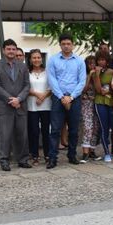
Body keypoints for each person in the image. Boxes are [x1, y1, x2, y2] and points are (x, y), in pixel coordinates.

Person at [0, 38, 31, 170]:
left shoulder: (23, 65)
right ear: (3, 50)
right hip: (5, 106)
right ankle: (4, 160)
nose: (11, 51)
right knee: (5, 134)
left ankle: (23, 159)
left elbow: (27, 85)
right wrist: (10, 99)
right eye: (9, 49)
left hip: (20, 104)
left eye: (13, 49)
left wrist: (18, 99)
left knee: (22, 134)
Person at [46, 33, 86, 168]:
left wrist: (72, 97)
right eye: (63, 44)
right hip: (58, 98)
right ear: (60, 45)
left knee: (74, 129)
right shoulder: (53, 60)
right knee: (55, 129)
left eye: (69, 44)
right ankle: (52, 158)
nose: (66, 46)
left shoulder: (79, 61)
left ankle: (72, 155)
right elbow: (52, 80)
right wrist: (62, 97)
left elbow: (82, 81)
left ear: (73, 44)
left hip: (74, 98)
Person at [27, 50, 51, 165]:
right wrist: (37, 95)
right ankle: (35, 155)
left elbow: (51, 87)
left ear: (42, 59)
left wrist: (43, 97)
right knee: (34, 132)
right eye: (34, 58)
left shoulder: (48, 72)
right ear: (30, 60)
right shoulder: (27, 73)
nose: (36, 60)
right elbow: (25, 88)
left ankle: (47, 154)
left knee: (46, 131)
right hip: (32, 106)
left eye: (38, 57)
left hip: (46, 106)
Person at [91, 51, 113, 162]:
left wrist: (109, 90)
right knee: (104, 127)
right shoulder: (95, 73)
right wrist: (98, 75)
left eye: (103, 59)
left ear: (107, 61)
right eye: (99, 60)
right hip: (100, 102)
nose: (101, 62)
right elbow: (98, 90)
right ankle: (106, 152)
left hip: (112, 102)